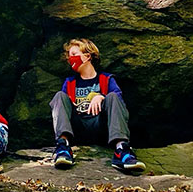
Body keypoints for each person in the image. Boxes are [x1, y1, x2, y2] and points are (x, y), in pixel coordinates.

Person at [50, 38, 145, 173]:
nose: (70, 59)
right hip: (78, 127)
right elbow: (63, 108)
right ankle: (63, 147)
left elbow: (119, 104)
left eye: (74, 54)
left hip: (101, 126)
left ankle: (121, 150)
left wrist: (101, 97)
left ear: (87, 56)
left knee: (112, 96)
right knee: (59, 96)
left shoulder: (106, 79)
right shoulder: (70, 82)